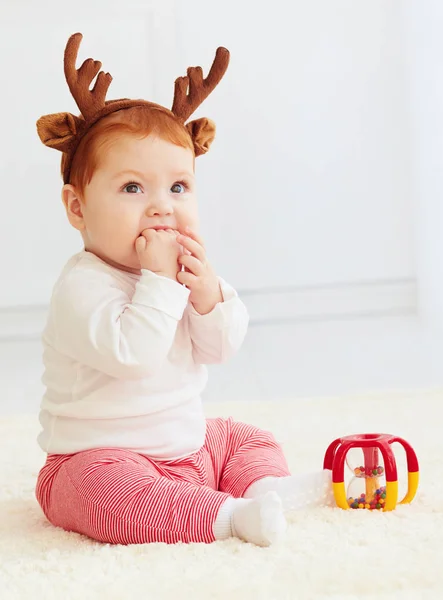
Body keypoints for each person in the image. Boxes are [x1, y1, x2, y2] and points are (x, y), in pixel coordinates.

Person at [35, 33, 332, 547]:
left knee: (242, 437)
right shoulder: (80, 286)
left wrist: (209, 295)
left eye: (178, 187)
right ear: (77, 208)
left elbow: (219, 350)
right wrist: (158, 282)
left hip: (188, 448)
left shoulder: (183, 272)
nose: (161, 207)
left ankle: (267, 489)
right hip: (97, 457)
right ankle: (229, 517)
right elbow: (134, 356)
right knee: (102, 497)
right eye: (132, 188)